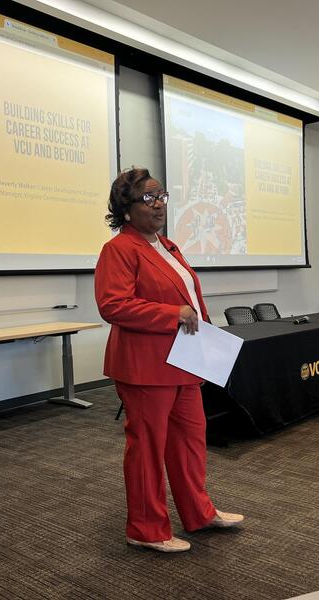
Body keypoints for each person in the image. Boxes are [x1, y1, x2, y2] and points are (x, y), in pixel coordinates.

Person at [94, 167, 244, 553]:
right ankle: (145, 529)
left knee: (191, 442)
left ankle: (199, 512)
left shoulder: (167, 245)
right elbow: (113, 305)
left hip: (184, 361)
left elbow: (189, 297)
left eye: (161, 196)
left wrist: (205, 331)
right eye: (148, 198)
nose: (158, 204)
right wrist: (171, 314)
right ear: (126, 211)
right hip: (146, 366)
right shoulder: (119, 249)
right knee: (146, 449)